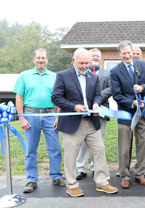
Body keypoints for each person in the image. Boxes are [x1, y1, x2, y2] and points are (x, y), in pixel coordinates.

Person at [51, 48, 118, 197]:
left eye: (87, 63)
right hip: (72, 123)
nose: (84, 66)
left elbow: (98, 96)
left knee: (100, 150)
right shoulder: (62, 76)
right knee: (71, 155)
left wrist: (95, 105)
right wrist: (74, 107)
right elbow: (55, 97)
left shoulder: (93, 77)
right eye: (81, 63)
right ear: (74, 61)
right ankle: (72, 184)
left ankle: (102, 183)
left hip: (91, 122)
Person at [13, 48, 65, 193]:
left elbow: (59, 98)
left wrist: (57, 116)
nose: (41, 60)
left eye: (43, 58)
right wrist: (21, 117)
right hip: (31, 115)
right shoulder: (24, 76)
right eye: (38, 58)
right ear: (34, 60)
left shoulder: (55, 76)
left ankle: (56, 176)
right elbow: (19, 98)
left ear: (47, 60)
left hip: (50, 115)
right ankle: (31, 180)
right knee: (31, 149)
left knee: (55, 148)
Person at [110, 40, 145, 189]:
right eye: (124, 53)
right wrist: (132, 102)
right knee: (124, 147)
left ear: (132, 51)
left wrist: (142, 88)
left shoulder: (142, 65)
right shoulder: (115, 71)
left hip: (143, 112)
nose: (127, 55)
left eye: (129, 52)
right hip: (125, 113)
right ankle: (125, 176)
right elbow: (117, 95)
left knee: (143, 144)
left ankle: (140, 174)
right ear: (119, 54)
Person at [76, 48, 112, 180]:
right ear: (89, 58)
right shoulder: (80, 72)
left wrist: (97, 98)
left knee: (99, 140)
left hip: (100, 110)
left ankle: (96, 167)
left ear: (100, 58)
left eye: (98, 56)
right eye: (93, 56)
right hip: (84, 111)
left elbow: (111, 88)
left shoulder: (107, 73)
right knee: (83, 140)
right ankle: (81, 168)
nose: (95, 58)